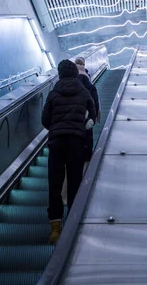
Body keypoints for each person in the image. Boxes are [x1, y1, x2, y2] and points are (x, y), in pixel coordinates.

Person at [42, 59, 96, 244]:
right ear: (75, 73)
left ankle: (55, 228)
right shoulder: (83, 91)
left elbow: (45, 119)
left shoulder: (54, 92)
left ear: (60, 74)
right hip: (76, 142)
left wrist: (56, 127)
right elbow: (92, 112)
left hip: (56, 143)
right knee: (74, 182)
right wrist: (84, 125)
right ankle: (73, 224)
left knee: (55, 184)